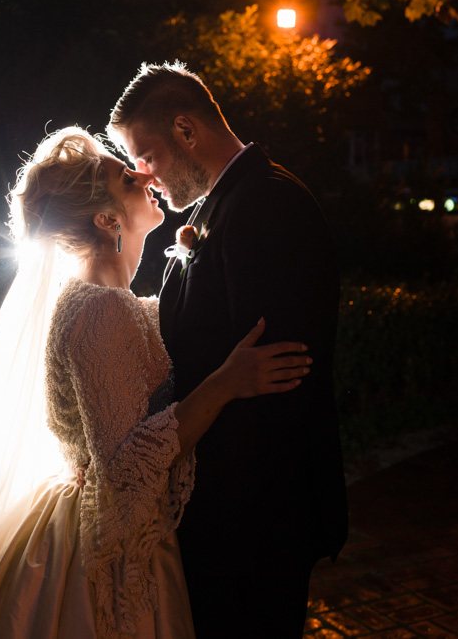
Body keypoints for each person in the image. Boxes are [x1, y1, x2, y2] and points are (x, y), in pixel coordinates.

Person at [0, 127, 312, 639]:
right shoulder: (99, 311)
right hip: (100, 551)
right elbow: (124, 469)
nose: (146, 175)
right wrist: (226, 384)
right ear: (107, 220)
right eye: (129, 177)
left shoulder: (109, 302)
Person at [108, 63, 349, 639]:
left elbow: (278, 377)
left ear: (186, 131)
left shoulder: (266, 204)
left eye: (147, 155)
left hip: (255, 515)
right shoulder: (226, 204)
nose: (145, 177)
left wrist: (225, 522)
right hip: (224, 510)